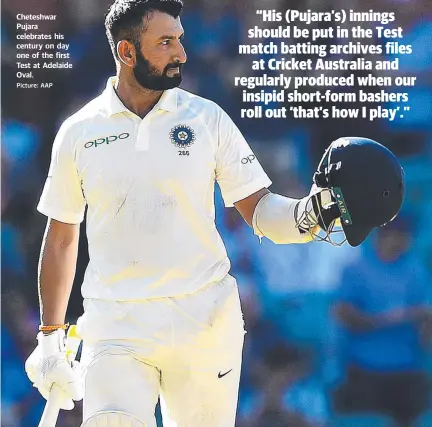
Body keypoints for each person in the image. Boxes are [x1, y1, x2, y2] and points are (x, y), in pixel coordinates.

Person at [23, 1, 403, 426]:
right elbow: (61, 238)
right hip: (116, 324)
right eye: (165, 42)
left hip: (203, 322)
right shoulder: (79, 131)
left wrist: (312, 212)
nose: (181, 53)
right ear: (127, 53)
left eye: (180, 39)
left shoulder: (207, 119)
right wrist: (51, 337)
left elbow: (259, 210)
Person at [332, 215, 432, 427]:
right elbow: (343, 313)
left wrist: (421, 320)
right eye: (390, 236)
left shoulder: (415, 270)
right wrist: (384, 320)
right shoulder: (357, 269)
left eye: (401, 237)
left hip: (407, 367)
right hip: (365, 368)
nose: (395, 242)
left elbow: (425, 315)